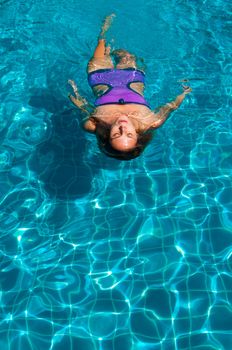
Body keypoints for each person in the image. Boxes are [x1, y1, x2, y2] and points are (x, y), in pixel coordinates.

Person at [68, 14, 192, 160]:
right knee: (124, 52)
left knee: (102, 41)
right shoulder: (151, 121)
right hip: (132, 76)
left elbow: (83, 106)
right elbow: (171, 106)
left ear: (107, 136)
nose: (123, 127)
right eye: (129, 134)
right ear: (137, 136)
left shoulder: (93, 125)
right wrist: (184, 92)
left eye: (116, 134)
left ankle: (104, 28)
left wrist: (73, 89)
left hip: (99, 76)